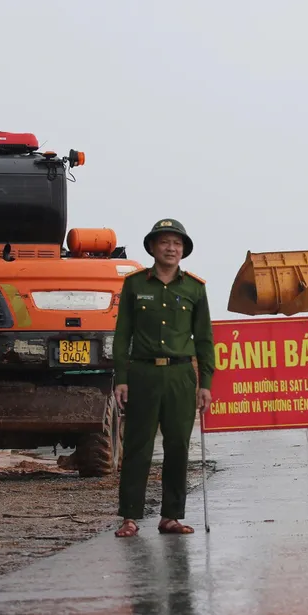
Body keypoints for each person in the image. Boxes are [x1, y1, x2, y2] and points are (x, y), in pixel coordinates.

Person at [112, 218, 215, 537]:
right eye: (165, 242)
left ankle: (171, 516)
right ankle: (130, 516)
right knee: (138, 447)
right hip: (143, 374)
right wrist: (121, 377)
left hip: (180, 376)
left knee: (178, 447)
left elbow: (204, 339)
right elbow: (122, 334)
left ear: (183, 250)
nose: (171, 248)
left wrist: (205, 384)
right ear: (153, 248)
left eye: (177, 243)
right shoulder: (135, 285)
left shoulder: (194, 288)